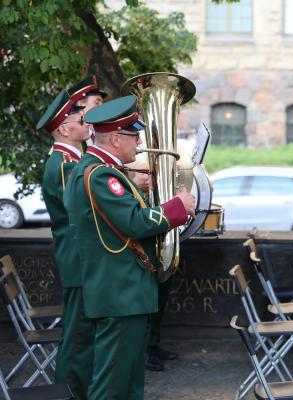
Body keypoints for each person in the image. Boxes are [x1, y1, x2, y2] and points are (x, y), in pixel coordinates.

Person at [64, 95, 196, 400]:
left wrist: (135, 184)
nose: (138, 143)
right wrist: (178, 207)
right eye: (134, 135)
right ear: (114, 138)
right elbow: (135, 222)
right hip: (120, 291)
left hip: (122, 291)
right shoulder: (101, 175)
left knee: (129, 381)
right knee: (112, 385)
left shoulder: (100, 170)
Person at [37, 90, 94, 398]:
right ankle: (67, 393)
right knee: (77, 336)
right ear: (64, 129)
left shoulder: (74, 159)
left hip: (80, 256)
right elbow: (85, 204)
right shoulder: (62, 164)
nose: (87, 123)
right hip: (77, 257)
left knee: (83, 332)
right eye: (80, 119)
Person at [126, 157, 179, 372]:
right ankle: (146, 350)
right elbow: (134, 219)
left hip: (155, 246)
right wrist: (136, 185)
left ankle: (153, 344)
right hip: (138, 252)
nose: (137, 140)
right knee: (148, 304)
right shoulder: (107, 172)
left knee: (159, 299)